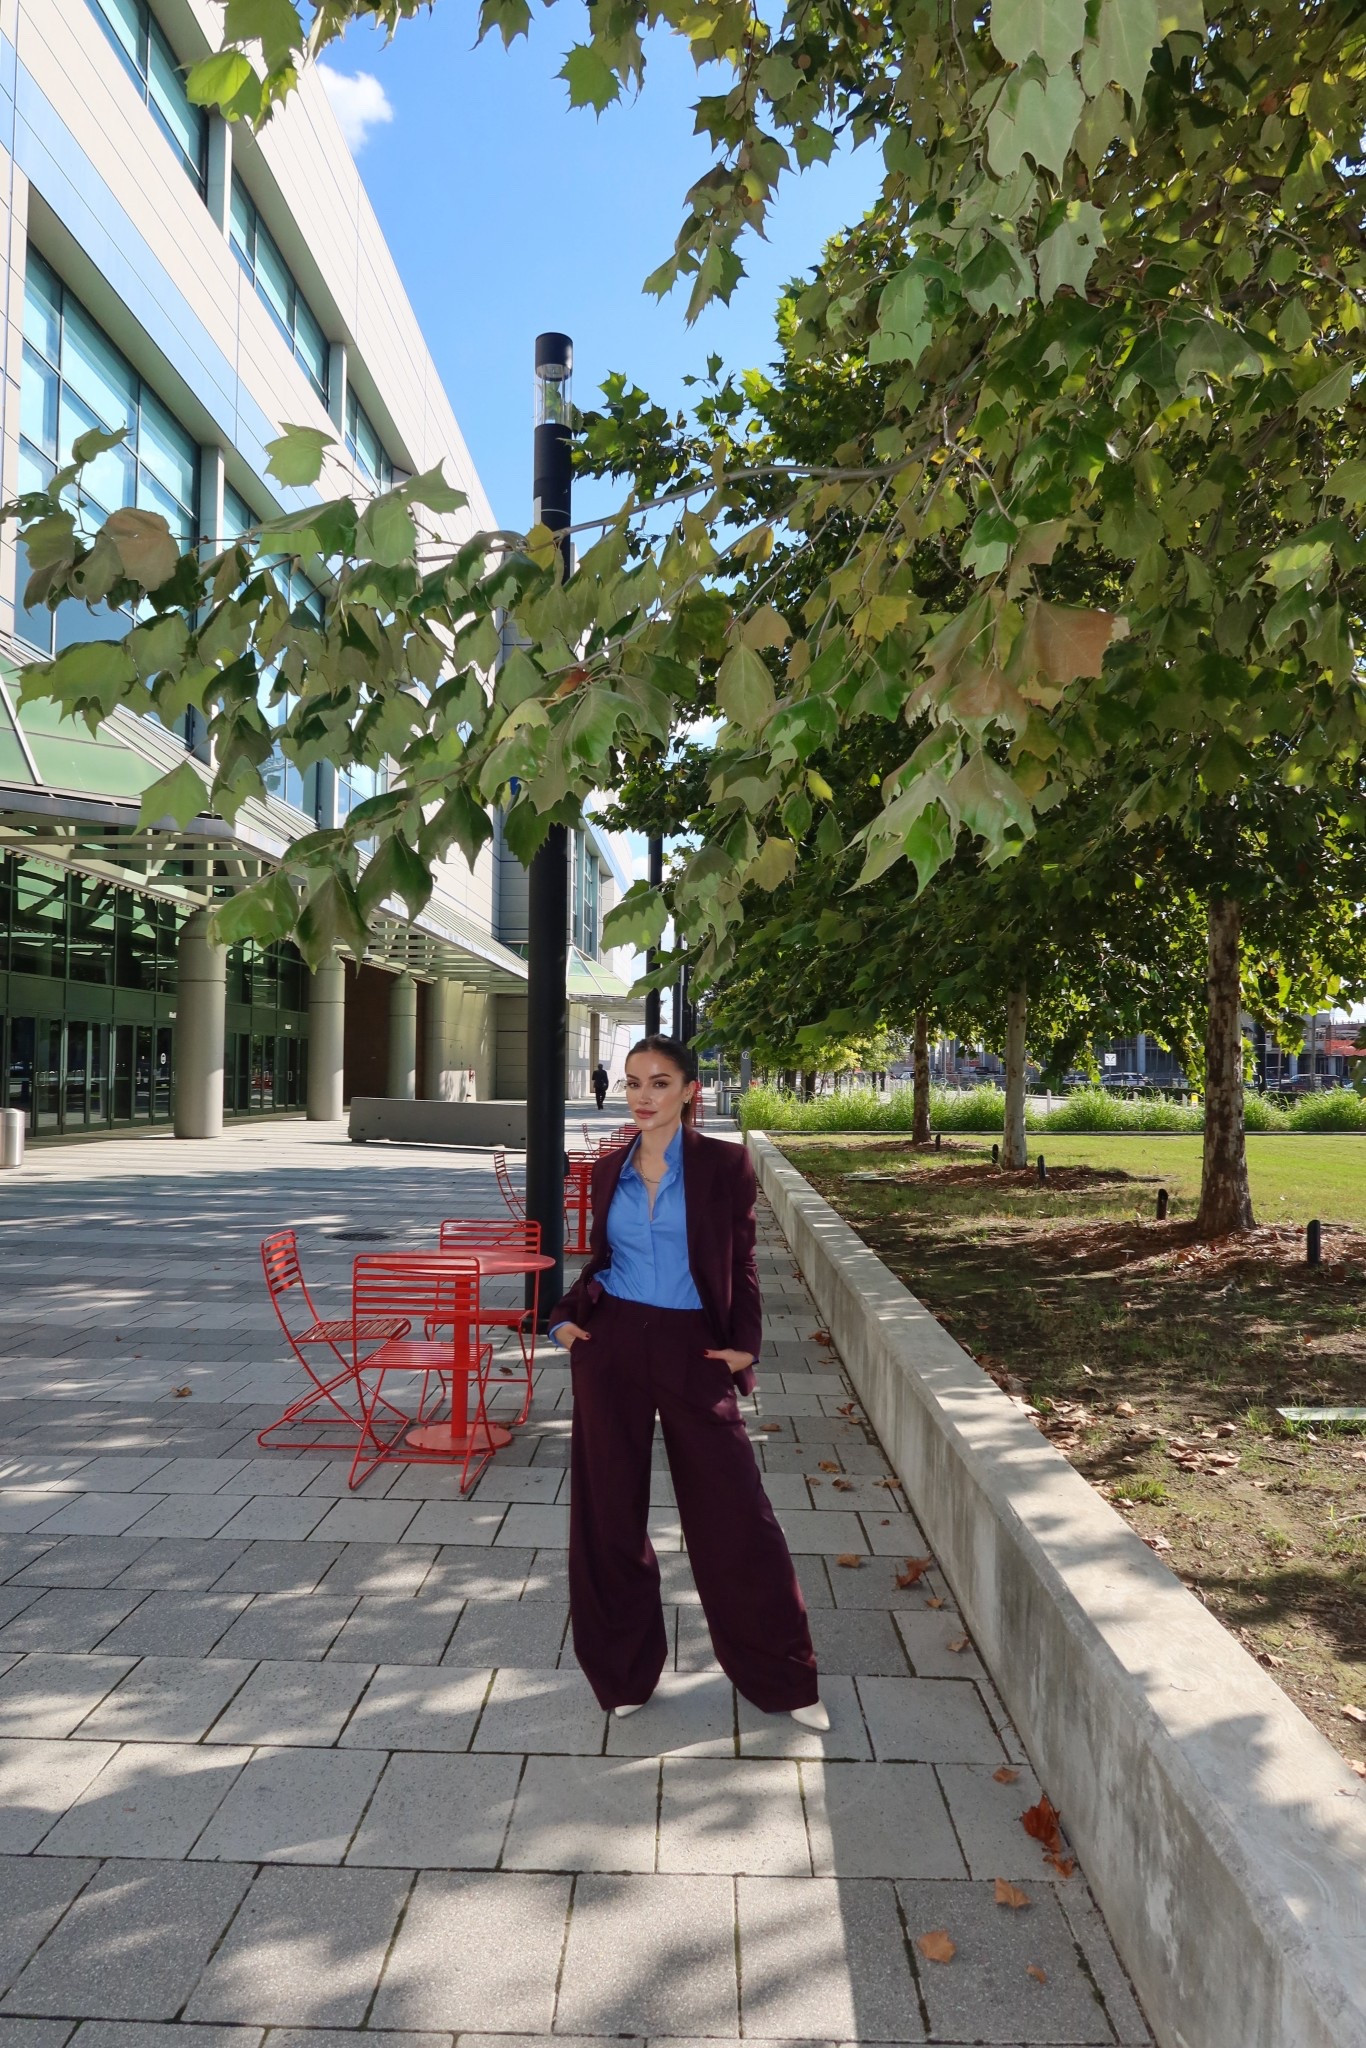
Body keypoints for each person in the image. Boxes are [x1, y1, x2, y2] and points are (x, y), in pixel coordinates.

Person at [549, 1033, 827, 1728]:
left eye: (660, 1082)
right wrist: (564, 1324)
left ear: (689, 1091)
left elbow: (744, 1263)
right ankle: (622, 1675)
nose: (644, 1095)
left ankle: (785, 1680)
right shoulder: (607, 1169)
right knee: (607, 1513)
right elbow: (601, 1260)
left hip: (691, 1348)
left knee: (737, 1514)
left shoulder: (725, 1166)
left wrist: (744, 1346)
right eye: (635, 1082)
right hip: (611, 1344)